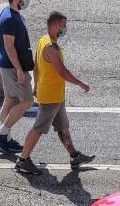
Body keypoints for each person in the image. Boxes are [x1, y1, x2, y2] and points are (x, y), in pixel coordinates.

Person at [15, 11, 94, 175]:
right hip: (51, 97)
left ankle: (74, 156)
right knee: (38, 128)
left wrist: (36, 86)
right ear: (56, 26)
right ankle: (23, 160)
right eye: (64, 26)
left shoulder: (43, 40)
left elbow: (37, 67)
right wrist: (81, 83)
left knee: (63, 127)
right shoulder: (50, 47)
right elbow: (62, 72)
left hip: (55, 95)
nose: (65, 29)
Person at [0, 0, 34, 153]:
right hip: (12, 67)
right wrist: (18, 69)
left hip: (8, 65)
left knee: (10, 100)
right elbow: (9, 46)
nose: (27, 0)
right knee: (27, 101)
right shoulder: (9, 18)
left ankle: (5, 140)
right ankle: (1, 133)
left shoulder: (9, 13)